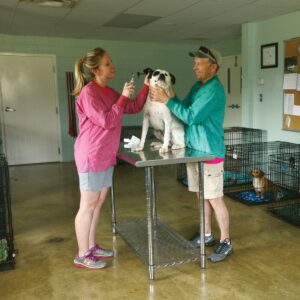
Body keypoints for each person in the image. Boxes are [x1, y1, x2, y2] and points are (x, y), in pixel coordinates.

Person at [151, 46, 232, 263]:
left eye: (199, 63)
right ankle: (206, 234)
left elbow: (191, 116)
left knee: (214, 198)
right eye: (194, 62)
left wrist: (167, 100)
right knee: (200, 195)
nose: (194, 66)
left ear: (213, 67)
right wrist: (166, 95)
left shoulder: (214, 90)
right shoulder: (198, 86)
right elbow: (183, 104)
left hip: (210, 152)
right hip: (194, 151)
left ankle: (226, 241)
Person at [72, 47, 149, 269]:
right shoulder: (89, 93)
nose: (112, 65)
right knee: (87, 205)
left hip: (106, 156)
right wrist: (123, 97)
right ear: (95, 70)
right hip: (91, 155)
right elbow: (107, 120)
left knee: (98, 204)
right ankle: (82, 254)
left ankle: (91, 245)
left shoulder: (108, 91)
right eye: (108, 63)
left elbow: (132, 107)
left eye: (111, 61)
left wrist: (145, 85)